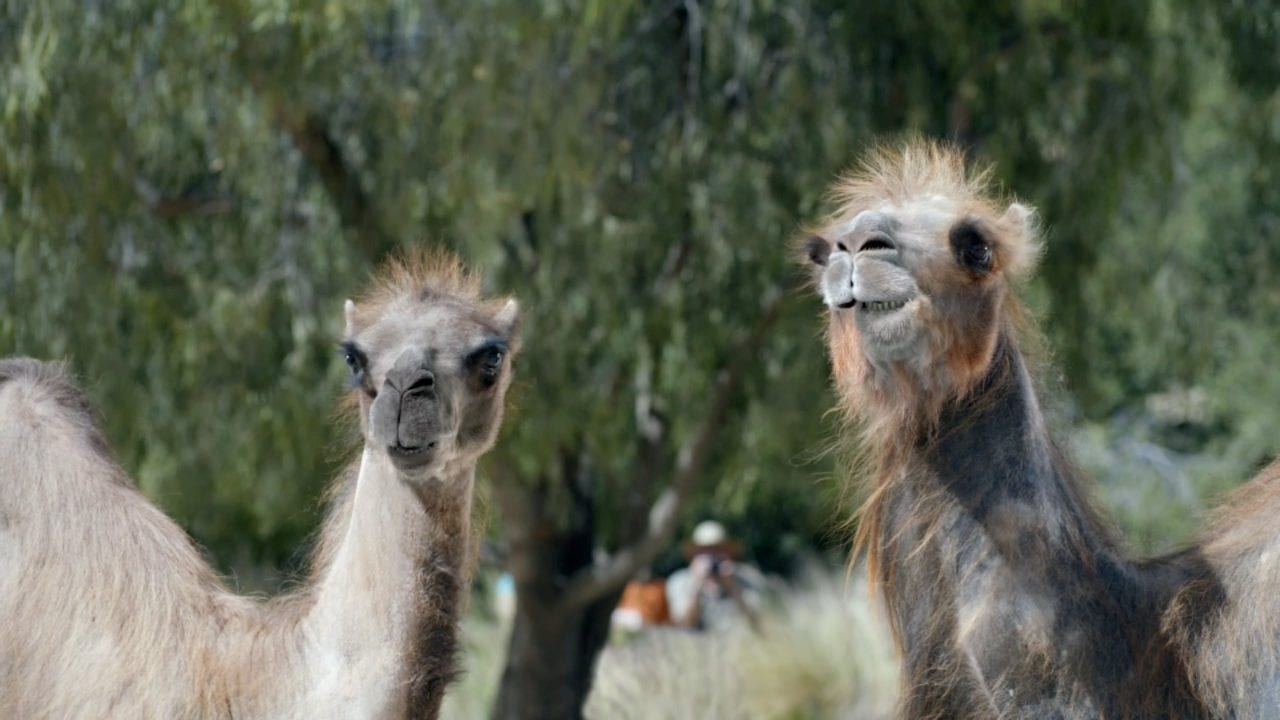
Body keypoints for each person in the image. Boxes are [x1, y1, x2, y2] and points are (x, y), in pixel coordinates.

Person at [665, 520, 764, 632]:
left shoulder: (747, 579)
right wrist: (697, 586)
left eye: (717, 550)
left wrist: (732, 587)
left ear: (728, 554)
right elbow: (685, 624)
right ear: (695, 555)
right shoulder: (679, 581)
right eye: (705, 552)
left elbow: (757, 623)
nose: (712, 557)